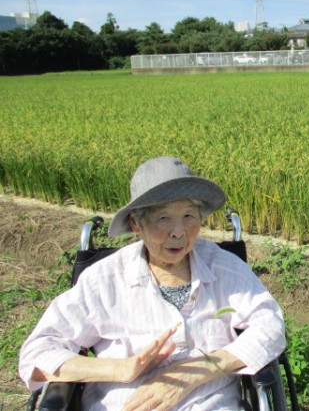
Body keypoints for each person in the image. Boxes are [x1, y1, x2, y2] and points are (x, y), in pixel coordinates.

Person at [19, 157, 286, 410]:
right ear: (136, 223)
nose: (178, 232)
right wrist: (122, 369)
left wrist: (197, 371)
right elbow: (37, 353)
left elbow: (271, 327)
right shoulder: (105, 279)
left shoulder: (224, 268)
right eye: (163, 218)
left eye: (189, 216)